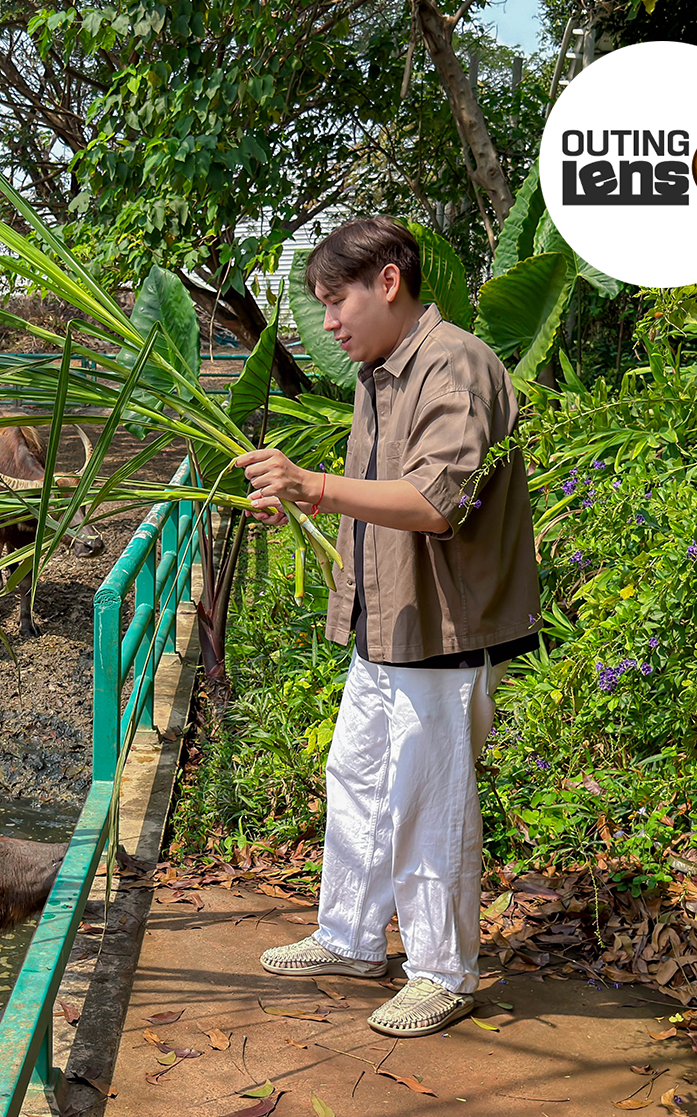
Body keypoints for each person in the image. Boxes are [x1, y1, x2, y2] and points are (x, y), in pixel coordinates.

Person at [235, 217, 539, 1038]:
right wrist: (299, 496)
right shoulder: (383, 372)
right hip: (390, 618)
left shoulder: (454, 366)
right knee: (360, 778)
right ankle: (351, 936)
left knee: (427, 800)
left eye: (337, 301)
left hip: (444, 627)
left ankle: (443, 974)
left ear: (390, 283)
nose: (329, 322)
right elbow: (375, 494)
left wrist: (314, 486)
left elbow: (436, 504)